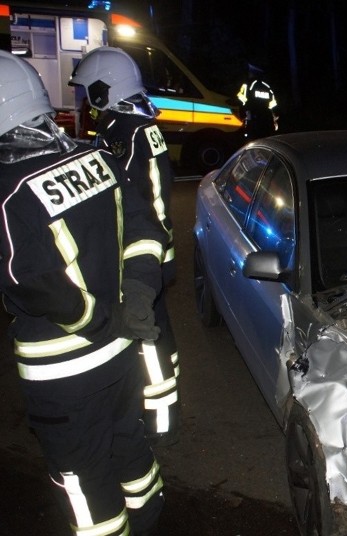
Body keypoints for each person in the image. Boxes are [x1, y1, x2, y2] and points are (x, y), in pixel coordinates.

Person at [0, 50, 166, 535]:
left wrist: (102, 319)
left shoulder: (8, 192)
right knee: (129, 445)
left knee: (83, 479)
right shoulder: (95, 156)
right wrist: (136, 296)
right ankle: (150, 520)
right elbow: (146, 227)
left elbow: (31, 285)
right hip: (121, 354)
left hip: (62, 373)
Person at [68, 46, 181, 447]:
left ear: (104, 91)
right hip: (153, 254)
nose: (86, 101)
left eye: (89, 92)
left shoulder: (126, 133)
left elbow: (135, 202)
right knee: (156, 334)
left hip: (144, 257)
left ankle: (160, 422)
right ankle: (160, 411)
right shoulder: (133, 124)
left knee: (148, 338)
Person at [236, 62, 279, 140]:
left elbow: (241, 101)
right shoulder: (267, 87)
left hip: (253, 121)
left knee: (252, 143)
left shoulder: (247, 85)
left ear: (252, 73)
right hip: (266, 121)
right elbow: (273, 105)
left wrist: (242, 115)